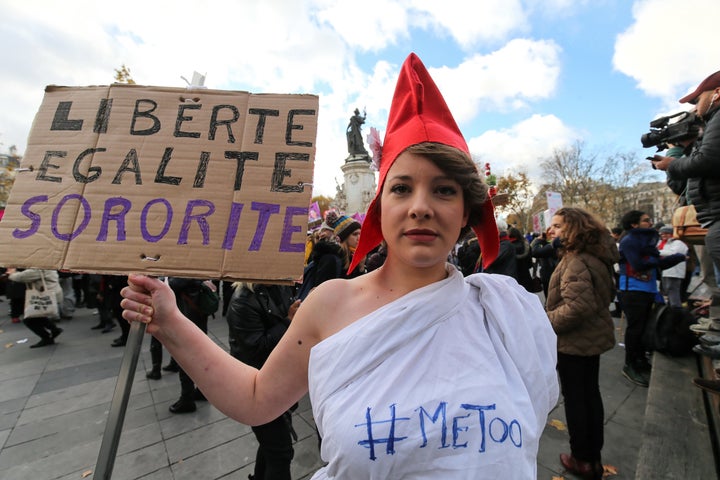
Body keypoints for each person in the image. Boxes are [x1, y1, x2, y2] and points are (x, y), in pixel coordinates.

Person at [120, 52, 558, 478]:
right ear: (378, 208)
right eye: (402, 188)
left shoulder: (503, 312)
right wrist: (171, 321)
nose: (421, 207)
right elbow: (256, 399)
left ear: (466, 213)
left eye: (444, 190)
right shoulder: (329, 304)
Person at [545, 207, 619, 480]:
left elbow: (578, 306)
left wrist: (545, 322)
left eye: (558, 226)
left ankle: (582, 460)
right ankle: (592, 458)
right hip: (592, 338)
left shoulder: (576, 260)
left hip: (575, 341)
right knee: (590, 395)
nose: (551, 231)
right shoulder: (595, 255)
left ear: (574, 228)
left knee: (577, 399)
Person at [652, 69, 720, 324]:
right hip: (709, 217)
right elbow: (683, 184)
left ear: (717, 93)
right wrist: (678, 156)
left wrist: (673, 162)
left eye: (696, 100)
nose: (695, 108)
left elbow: (708, 161)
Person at [227, 282, 301, 480]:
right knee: (281, 453)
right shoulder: (242, 301)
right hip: (256, 386)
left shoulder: (280, 287)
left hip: (279, 380)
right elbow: (255, 349)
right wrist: (289, 321)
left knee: (272, 446)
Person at [617, 210, 685, 387]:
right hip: (632, 291)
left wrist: (677, 258)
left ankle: (640, 360)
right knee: (635, 328)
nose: (650, 222)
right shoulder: (630, 240)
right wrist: (662, 259)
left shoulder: (646, 241)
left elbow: (656, 263)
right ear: (634, 224)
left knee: (644, 327)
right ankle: (629, 365)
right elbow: (638, 265)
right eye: (646, 220)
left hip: (647, 289)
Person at [167, 277, 210, 414]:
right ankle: (203, 391)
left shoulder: (187, 263)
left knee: (185, 357)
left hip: (189, 314)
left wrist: (164, 278)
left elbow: (173, 283)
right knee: (199, 355)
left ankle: (187, 398)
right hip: (196, 311)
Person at [7, 268, 63, 348]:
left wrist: (12, 273)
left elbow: (21, 277)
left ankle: (47, 337)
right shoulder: (47, 266)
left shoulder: (38, 268)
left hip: (45, 296)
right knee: (38, 316)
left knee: (29, 320)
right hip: (51, 294)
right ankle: (54, 330)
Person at [657, 224, 689, 308]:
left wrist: (657, 252)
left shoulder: (678, 243)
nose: (664, 235)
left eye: (666, 233)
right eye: (662, 234)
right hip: (665, 271)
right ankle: (671, 308)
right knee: (667, 291)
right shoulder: (661, 243)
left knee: (673, 291)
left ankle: (676, 309)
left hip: (675, 272)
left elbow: (673, 253)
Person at [531, 227, 559, 298]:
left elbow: (535, 252)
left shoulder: (553, 246)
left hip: (550, 276)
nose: (550, 233)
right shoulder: (551, 245)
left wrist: (539, 240)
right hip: (550, 275)